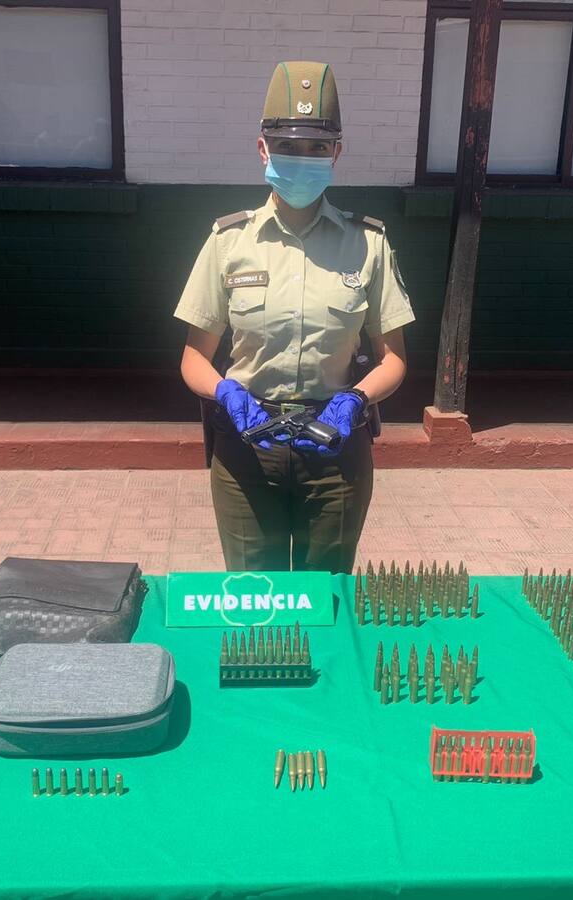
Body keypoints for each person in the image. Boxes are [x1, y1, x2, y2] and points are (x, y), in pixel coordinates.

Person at [173, 60, 415, 574]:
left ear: (336, 153)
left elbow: (394, 359)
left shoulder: (368, 244)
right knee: (253, 597)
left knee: (324, 595)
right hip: (246, 448)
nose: (302, 158)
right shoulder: (228, 242)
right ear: (263, 149)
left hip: (335, 450)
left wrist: (355, 399)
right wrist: (226, 393)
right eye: (287, 145)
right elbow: (194, 359)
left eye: (316, 147)